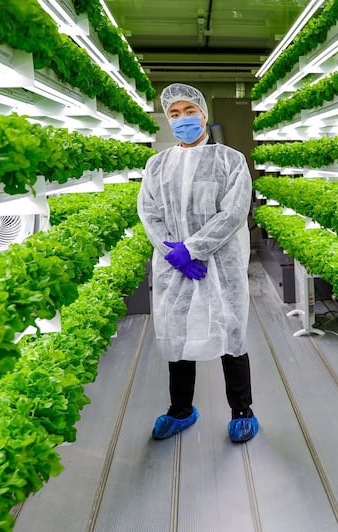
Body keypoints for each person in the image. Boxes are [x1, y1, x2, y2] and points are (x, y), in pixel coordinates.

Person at [137, 83, 257, 443]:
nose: (182, 119)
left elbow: (234, 212)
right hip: (174, 264)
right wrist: (172, 251)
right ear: (167, 121)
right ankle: (181, 409)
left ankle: (242, 410)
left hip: (220, 264)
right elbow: (149, 212)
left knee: (230, 330)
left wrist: (193, 248)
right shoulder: (156, 165)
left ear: (204, 115)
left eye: (189, 112)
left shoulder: (230, 160)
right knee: (177, 333)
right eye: (174, 114)